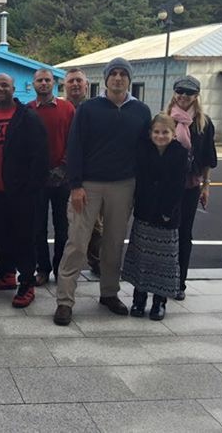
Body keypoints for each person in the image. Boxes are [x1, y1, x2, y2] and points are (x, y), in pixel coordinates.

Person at [54, 57, 151, 326]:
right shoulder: (88, 109)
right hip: (88, 186)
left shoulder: (141, 111)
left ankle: (109, 293)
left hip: (124, 186)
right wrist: (75, 185)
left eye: (123, 74)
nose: (118, 78)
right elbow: (75, 147)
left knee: (113, 243)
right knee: (77, 243)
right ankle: (65, 301)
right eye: (113, 74)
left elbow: (145, 152)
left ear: (129, 79)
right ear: (106, 79)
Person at [0, 74, 48, 308]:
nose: (0, 89)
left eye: (4, 85)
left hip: (20, 192)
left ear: (13, 88)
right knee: (0, 235)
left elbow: (40, 156)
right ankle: (7, 274)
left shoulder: (27, 117)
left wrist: (31, 189)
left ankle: (27, 283)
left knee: (24, 238)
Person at [122, 114, 188, 321]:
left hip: (167, 216)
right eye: (156, 132)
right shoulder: (143, 149)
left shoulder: (180, 153)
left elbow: (178, 186)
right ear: (150, 133)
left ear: (173, 134)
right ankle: (139, 298)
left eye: (165, 132)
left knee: (163, 262)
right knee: (142, 259)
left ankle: (160, 302)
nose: (160, 136)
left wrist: (167, 211)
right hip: (144, 211)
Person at [167, 75, 218, 300]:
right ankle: (162, 278)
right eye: (180, 91)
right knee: (164, 232)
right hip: (167, 185)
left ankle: (180, 282)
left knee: (184, 233)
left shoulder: (203, 124)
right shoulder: (165, 118)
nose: (184, 96)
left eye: (189, 92)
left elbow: (208, 158)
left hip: (190, 185)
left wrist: (206, 186)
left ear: (196, 95)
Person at [28, 69, 76, 284]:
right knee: (37, 226)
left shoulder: (67, 108)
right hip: (37, 179)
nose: (44, 83)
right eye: (40, 80)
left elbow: (74, 140)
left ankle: (60, 269)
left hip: (62, 178)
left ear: (53, 83)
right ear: (33, 84)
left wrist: (63, 167)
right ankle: (43, 269)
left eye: (47, 80)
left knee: (62, 227)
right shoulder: (28, 110)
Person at [64, 68, 101, 275]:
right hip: (61, 174)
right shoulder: (59, 108)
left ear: (86, 85)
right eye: (71, 81)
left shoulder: (95, 109)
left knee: (94, 224)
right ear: (65, 85)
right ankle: (63, 268)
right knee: (67, 226)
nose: (75, 84)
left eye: (79, 80)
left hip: (89, 177)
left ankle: (96, 262)